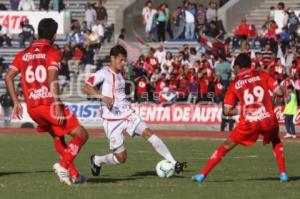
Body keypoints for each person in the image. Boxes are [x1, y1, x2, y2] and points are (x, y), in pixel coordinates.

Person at [5, 18, 89, 185]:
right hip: (49, 105)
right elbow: (51, 77)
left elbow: (8, 77)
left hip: (32, 108)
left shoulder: (23, 54)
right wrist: (57, 103)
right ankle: (63, 165)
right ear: (53, 35)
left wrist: (16, 102)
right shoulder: (53, 52)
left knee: (58, 137)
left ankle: (74, 175)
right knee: (82, 134)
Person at [83, 45, 186, 177]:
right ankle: (97, 160)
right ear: (112, 58)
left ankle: (173, 163)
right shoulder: (103, 73)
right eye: (121, 60)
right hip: (112, 120)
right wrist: (102, 97)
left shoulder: (121, 75)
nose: (123, 63)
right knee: (121, 158)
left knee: (148, 133)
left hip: (127, 114)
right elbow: (86, 87)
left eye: (124, 60)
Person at [193, 53, 289, 183]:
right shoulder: (262, 74)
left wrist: (243, 109)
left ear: (237, 67)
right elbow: (279, 93)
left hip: (249, 122)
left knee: (226, 146)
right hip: (268, 118)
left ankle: (202, 175)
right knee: (276, 140)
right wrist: (282, 88)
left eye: (234, 68)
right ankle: (283, 174)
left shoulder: (235, 83)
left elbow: (227, 111)